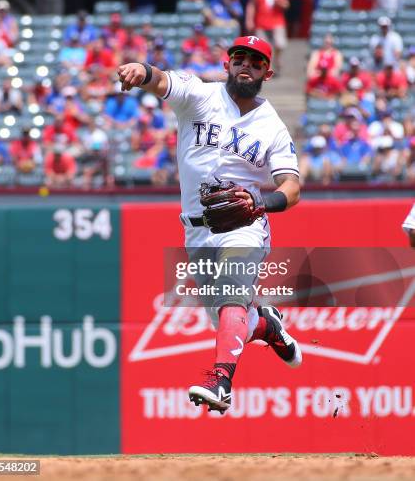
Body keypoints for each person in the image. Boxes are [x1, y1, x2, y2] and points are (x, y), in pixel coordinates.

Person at [117, 34, 302, 414]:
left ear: (268, 70)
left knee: (231, 297)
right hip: (196, 229)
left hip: (244, 223)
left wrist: (261, 203)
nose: (246, 65)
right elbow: (163, 81)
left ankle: (220, 381)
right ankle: (265, 326)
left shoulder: (273, 126)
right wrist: (142, 71)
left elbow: (292, 188)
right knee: (224, 316)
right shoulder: (200, 95)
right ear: (227, 64)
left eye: (255, 61)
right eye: (239, 58)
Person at [245, 0, 289, 73]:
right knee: (262, 47)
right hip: (261, 22)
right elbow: (252, 4)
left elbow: (286, 4)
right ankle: (268, 66)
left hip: (277, 21)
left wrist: (280, 3)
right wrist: (249, 19)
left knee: (280, 43)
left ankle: (277, 60)